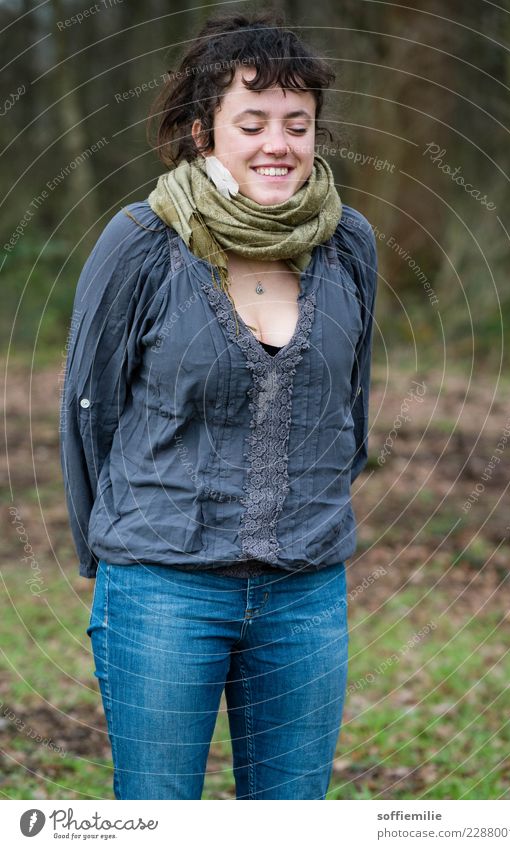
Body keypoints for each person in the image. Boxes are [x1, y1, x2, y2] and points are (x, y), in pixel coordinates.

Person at [59, 11, 378, 800]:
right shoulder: (140, 241)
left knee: (289, 819)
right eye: (254, 121)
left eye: (297, 124)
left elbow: (351, 405)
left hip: (306, 592)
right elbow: (86, 411)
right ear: (204, 131)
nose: (279, 143)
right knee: (160, 814)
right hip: (162, 589)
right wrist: (120, 550)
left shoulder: (349, 244)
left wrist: (315, 511)